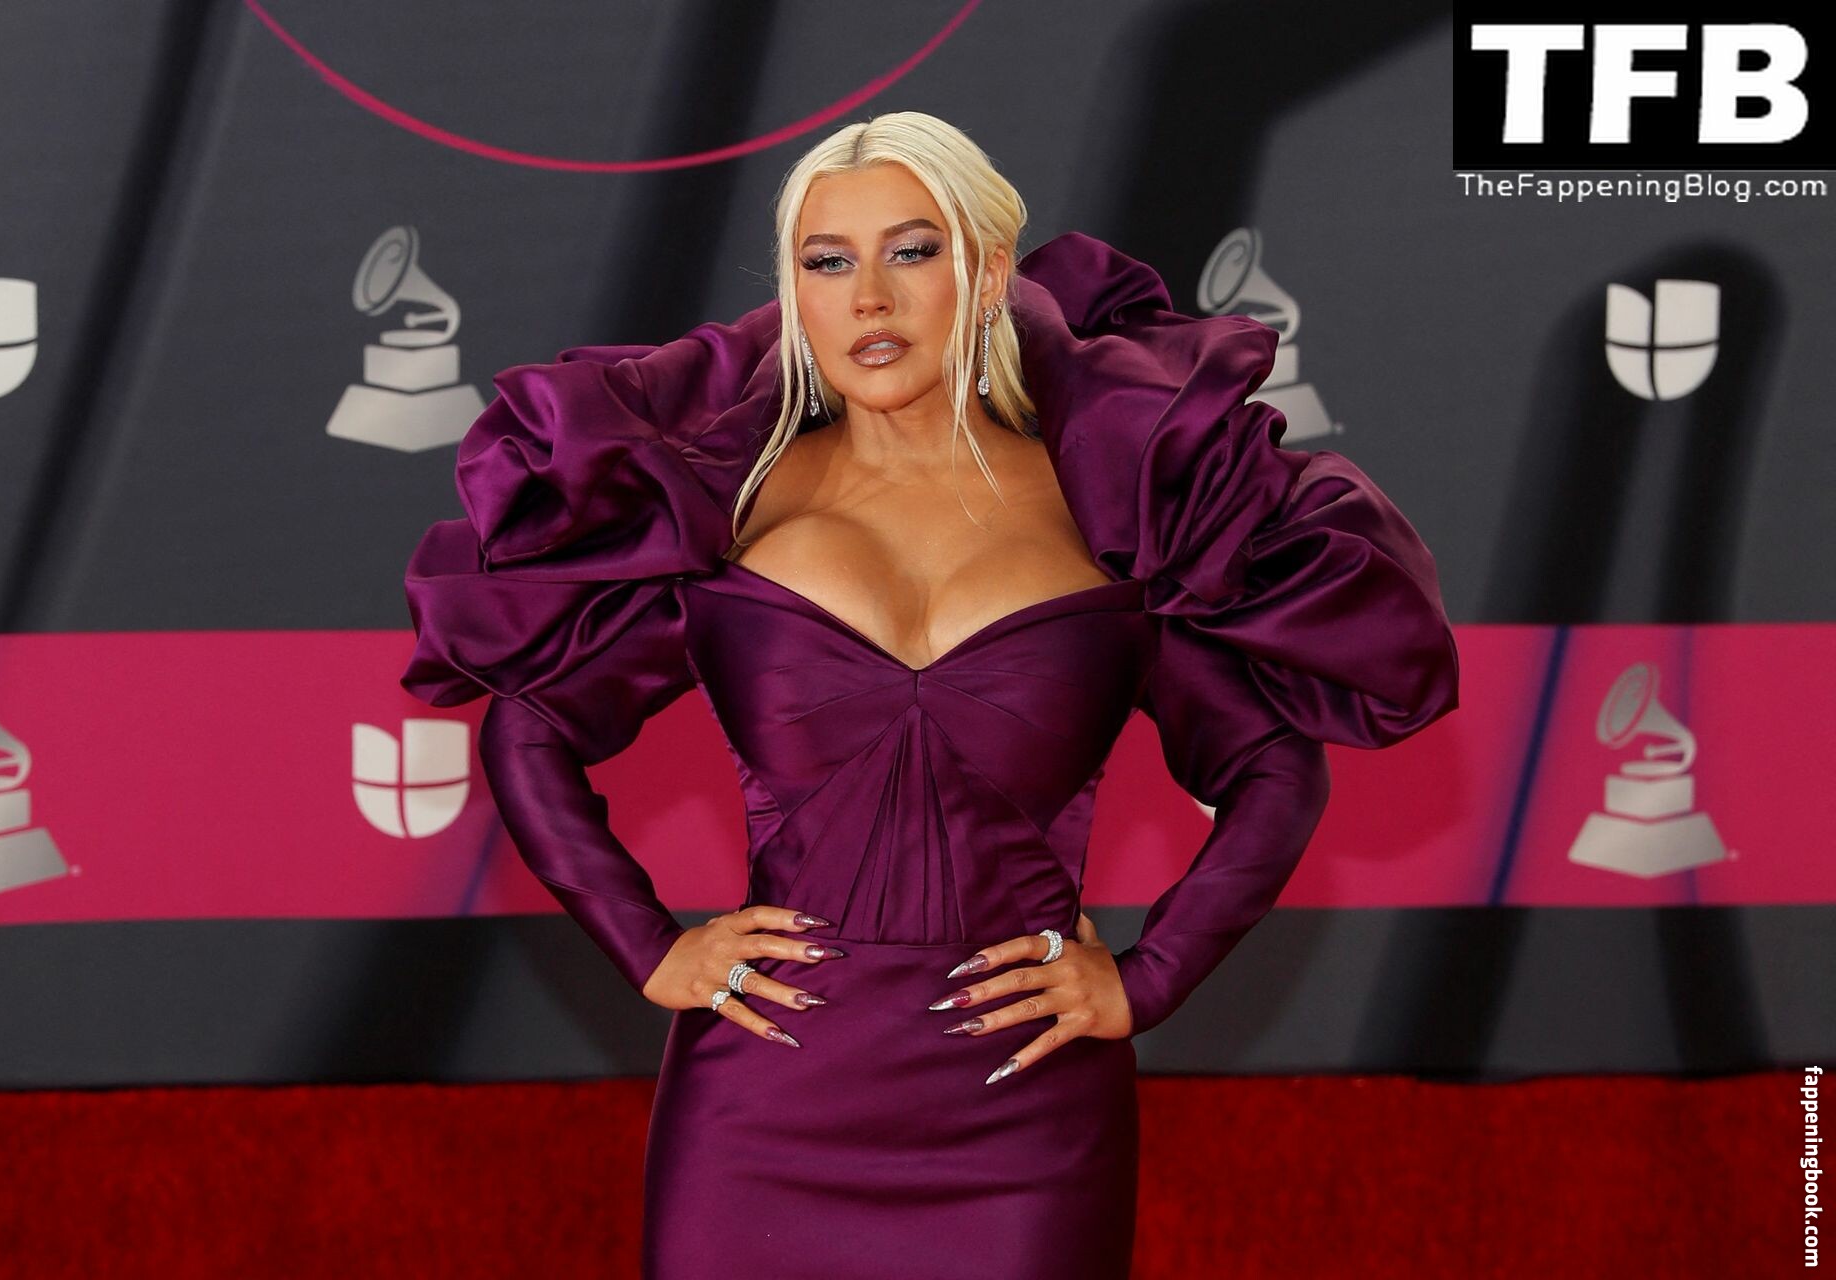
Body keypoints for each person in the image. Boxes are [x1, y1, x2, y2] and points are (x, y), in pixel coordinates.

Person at [401, 111, 1459, 1277]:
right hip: (760, 1102)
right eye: (827, 261)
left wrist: (1149, 975)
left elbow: (1272, 763)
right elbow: (532, 722)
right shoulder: (730, 509)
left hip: (1024, 1111)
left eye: (912, 251)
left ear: (990, 273)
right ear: (795, 294)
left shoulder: (1110, 505)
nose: (870, 298)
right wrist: (653, 948)